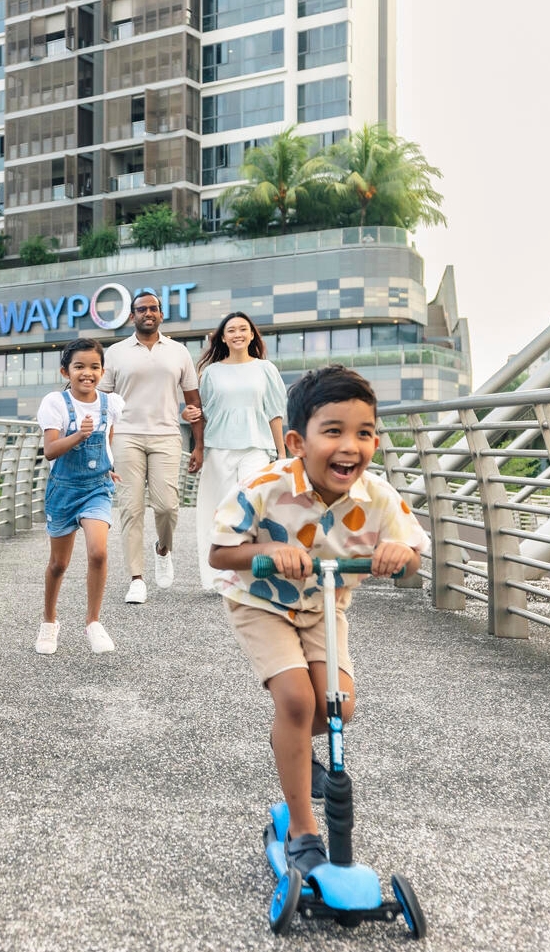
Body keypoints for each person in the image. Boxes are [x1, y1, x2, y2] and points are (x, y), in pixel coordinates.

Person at [208, 365, 430, 878]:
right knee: (295, 699)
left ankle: (291, 746)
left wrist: (398, 554)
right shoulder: (264, 486)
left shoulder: (377, 495)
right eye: (333, 431)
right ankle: (304, 832)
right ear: (296, 441)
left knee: (338, 707)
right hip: (260, 601)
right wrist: (270, 549)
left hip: (325, 604)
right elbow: (221, 553)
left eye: (364, 432)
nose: (350, 446)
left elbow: (414, 559)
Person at [99, 291, 204, 603]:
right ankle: (136, 578)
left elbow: (194, 403)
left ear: (160, 314)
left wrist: (199, 446)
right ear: (132, 316)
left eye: (153, 308)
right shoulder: (115, 353)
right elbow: (103, 405)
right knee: (130, 508)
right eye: (141, 309)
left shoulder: (179, 352)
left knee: (167, 506)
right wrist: (103, 449)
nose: (148, 313)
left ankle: (163, 548)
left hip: (166, 436)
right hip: (126, 436)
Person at [182, 311, 287, 590]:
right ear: (223, 338)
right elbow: (203, 414)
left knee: (255, 507)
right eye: (231, 330)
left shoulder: (266, 369)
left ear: (252, 334)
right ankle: (220, 577)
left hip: (257, 447)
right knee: (219, 511)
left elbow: (275, 413)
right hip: (219, 449)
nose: (238, 334)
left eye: (243, 329)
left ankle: (257, 572)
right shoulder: (212, 372)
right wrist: (191, 421)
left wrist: (282, 453)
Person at [35, 339, 124, 656]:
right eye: (79, 367)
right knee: (59, 564)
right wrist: (78, 436)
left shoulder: (111, 403)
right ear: (66, 371)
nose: (88, 373)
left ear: (102, 370)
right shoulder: (55, 403)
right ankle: (49, 621)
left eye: (94, 367)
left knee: (98, 552)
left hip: (96, 486)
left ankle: (93, 622)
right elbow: (49, 451)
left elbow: (107, 437)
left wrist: (109, 465)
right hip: (64, 490)